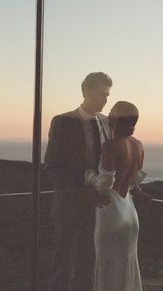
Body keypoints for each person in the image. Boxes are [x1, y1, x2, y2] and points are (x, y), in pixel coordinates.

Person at [44, 72, 113, 291]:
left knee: (88, 263)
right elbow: (52, 167)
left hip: (99, 208)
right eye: (101, 94)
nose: (105, 100)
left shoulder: (107, 123)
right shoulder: (63, 122)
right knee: (63, 263)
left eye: (107, 95)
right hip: (70, 207)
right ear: (85, 92)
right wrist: (80, 192)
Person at [85, 101, 152, 291]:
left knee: (107, 268)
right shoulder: (138, 146)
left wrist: (89, 176)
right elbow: (133, 181)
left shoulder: (111, 146)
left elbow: (105, 183)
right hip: (130, 213)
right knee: (127, 267)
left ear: (113, 120)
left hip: (111, 211)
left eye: (111, 113)